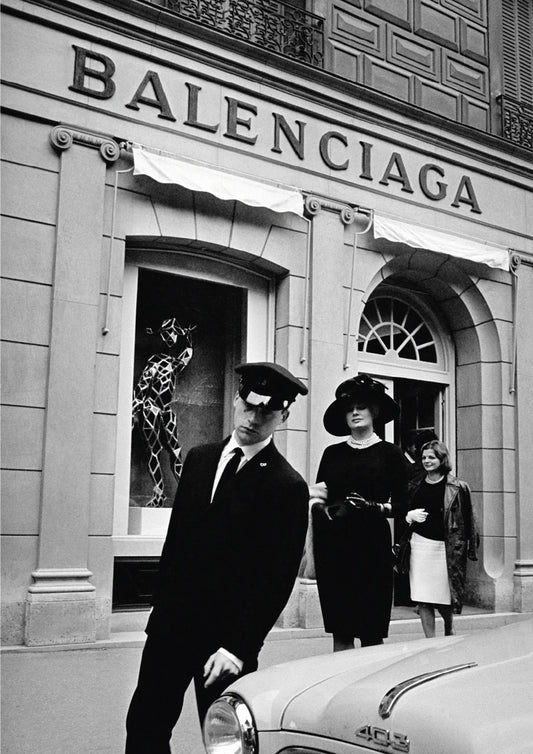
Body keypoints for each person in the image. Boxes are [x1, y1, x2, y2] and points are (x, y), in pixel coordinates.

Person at [125, 362, 309, 753]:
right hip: (170, 628)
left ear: (284, 415)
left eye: (267, 411)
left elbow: (276, 577)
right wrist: (159, 613)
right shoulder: (199, 459)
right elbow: (177, 542)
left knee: (226, 742)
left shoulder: (286, 484)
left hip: (223, 642)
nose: (253, 417)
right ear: (237, 399)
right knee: (145, 727)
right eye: (248, 405)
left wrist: (239, 648)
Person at [310, 373, 407, 651]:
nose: (354, 412)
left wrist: (375, 507)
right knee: (341, 628)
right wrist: (322, 509)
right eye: (349, 408)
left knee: (370, 630)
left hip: (372, 549)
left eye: (361, 406)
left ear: (375, 411)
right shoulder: (332, 453)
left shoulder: (391, 454)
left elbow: (404, 506)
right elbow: (320, 495)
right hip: (335, 547)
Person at [406, 439, 478, 638]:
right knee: (423, 597)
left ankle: (449, 628)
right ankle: (429, 640)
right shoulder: (415, 484)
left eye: (432, 457)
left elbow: (469, 518)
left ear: (441, 459)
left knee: (443, 597)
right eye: (424, 458)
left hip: (445, 548)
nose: (427, 461)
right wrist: (408, 516)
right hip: (419, 545)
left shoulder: (457, 486)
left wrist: (471, 549)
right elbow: (404, 509)